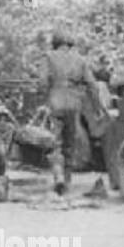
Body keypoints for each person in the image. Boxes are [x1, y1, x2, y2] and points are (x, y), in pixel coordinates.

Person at [43, 28, 101, 197]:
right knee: (70, 143)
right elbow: (93, 85)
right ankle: (67, 182)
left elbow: (42, 81)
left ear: (55, 43)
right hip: (74, 104)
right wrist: (97, 108)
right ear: (70, 44)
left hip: (55, 102)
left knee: (54, 142)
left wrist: (44, 99)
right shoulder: (80, 60)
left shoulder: (49, 57)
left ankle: (58, 176)